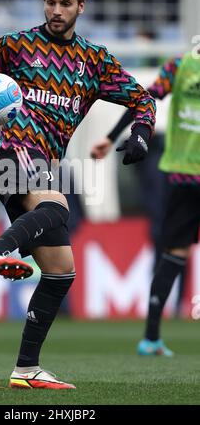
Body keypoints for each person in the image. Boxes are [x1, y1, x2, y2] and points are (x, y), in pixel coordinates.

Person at [0, 0, 156, 389]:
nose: (56, 11)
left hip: (45, 160)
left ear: (80, 6)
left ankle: (25, 369)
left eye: (65, 4)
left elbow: (142, 99)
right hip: (13, 149)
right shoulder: (15, 46)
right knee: (57, 204)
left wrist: (142, 134)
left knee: (61, 271)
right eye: (50, 3)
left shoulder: (94, 61)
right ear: (45, 3)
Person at [92, 53, 200, 356]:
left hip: (182, 176)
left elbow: (145, 99)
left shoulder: (180, 66)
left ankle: (151, 338)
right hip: (184, 176)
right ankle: (152, 337)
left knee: (173, 254)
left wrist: (111, 137)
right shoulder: (180, 66)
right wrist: (112, 137)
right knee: (174, 255)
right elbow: (144, 99)